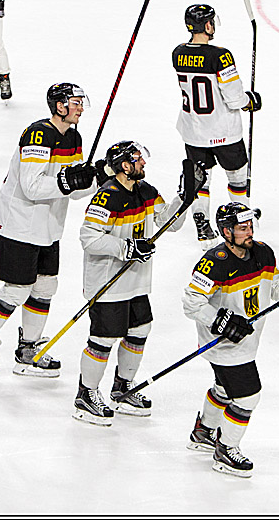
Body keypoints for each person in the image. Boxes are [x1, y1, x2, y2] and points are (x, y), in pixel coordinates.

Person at [182, 202, 279, 476]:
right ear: (226, 232)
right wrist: (221, 320)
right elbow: (192, 303)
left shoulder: (263, 253)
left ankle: (204, 431)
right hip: (223, 345)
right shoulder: (212, 263)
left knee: (225, 390)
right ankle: (226, 449)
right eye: (243, 228)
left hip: (246, 342)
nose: (249, 231)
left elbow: (274, 284)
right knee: (248, 395)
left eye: (250, 226)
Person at [0, 83, 94, 379]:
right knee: (17, 289)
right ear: (59, 106)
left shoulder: (74, 136)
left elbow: (74, 190)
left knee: (45, 287)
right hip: (19, 223)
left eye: (82, 102)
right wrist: (70, 179)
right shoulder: (38, 134)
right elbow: (32, 186)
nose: (81, 107)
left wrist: (97, 176)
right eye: (76, 102)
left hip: (48, 226)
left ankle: (28, 349)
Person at [73, 141, 191, 426]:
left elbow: (169, 222)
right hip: (107, 283)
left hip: (136, 282)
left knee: (139, 329)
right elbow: (88, 237)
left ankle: (122, 386)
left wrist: (184, 198)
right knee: (103, 339)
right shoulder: (106, 197)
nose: (143, 164)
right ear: (124, 166)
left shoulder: (147, 192)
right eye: (138, 159)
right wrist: (126, 248)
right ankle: (86, 395)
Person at [173, 4, 261, 244]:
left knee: (201, 180)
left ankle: (202, 223)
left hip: (193, 132)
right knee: (237, 180)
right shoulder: (220, 55)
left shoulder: (178, 53)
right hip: (224, 133)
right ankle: (242, 222)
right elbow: (234, 98)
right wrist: (249, 101)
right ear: (208, 25)